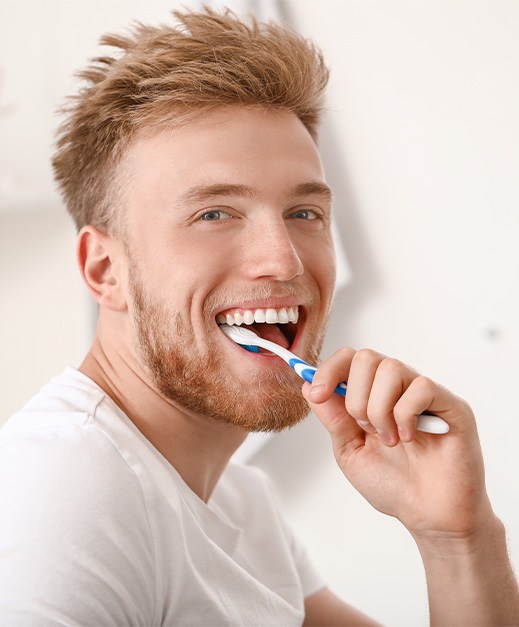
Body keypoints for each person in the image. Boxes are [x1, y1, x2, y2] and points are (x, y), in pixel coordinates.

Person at [0, 7, 517, 626]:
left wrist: (459, 537)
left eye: (305, 213)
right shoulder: (60, 493)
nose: (283, 259)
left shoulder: (240, 501)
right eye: (214, 214)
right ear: (105, 271)